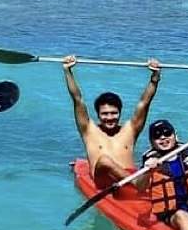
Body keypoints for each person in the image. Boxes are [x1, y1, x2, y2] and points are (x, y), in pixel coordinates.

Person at [63, 55, 162, 186]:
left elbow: (144, 102)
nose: (109, 118)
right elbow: (77, 99)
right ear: (98, 115)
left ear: (120, 113)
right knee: (104, 160)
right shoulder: (89, 130)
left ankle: (136, 182)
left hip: (129, 177)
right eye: (105, 114)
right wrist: (67, 71)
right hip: (104, 180)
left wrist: (155, 78)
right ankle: (137, 182)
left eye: (114, 113)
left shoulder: (130, 129)